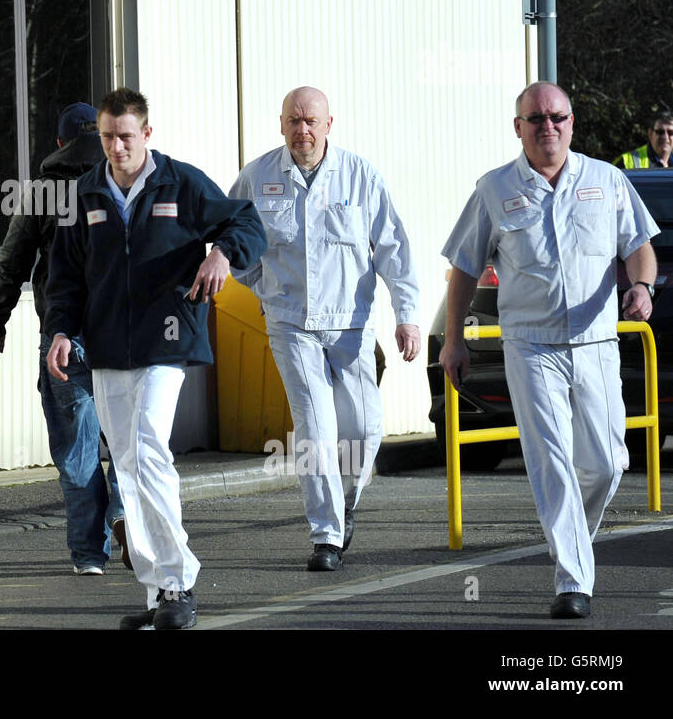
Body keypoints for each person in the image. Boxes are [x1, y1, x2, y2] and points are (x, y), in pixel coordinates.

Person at [45, 89, 268, 629]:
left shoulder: (181, 182)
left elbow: (247, 224)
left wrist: (220, 253)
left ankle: (177, 580)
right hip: (104, 348)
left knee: (147, 448)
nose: (116, 147)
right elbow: (65, 278)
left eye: (126, 136)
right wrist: (59, 332)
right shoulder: (86, 194)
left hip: (166, 340)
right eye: (107, 137)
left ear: (148, 134)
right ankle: (156, 594)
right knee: (124, 461)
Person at [440, 82, 657, 619]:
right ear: (518, 127)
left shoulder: (607, 180)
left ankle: (572, 541)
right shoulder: (494, 189)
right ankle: (573, 581)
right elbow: (464, 267)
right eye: (535, 119)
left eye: (557, 117)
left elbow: (640, 249)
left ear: (572, 122)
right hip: (530, 347)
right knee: (551, 464)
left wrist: (641, 287)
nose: (547, 127)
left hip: (596, 344)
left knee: (608, 463)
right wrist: (453, 339)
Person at [228, 87, 421, 572]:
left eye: (311, 121)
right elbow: (235, 245)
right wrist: (267, 290)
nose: (302, 130)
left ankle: (346, 500)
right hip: (291, 325)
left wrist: (407, 315)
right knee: (316, 426)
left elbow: (393, 249)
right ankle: (326, 536)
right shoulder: (257, 177)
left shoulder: (360, 177)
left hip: (351, 327)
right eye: (293, 121)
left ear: (329, 124)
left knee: (362, 428)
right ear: (281, 125)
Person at [0, 103, 126, 575]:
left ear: (60, 143)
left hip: (63, 336)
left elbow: (12, 263)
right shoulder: (124, 183)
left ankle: (89, 554)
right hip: (121, 334)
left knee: (76, 448)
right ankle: (127, 513)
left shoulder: (42, 193)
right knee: (129, 440)